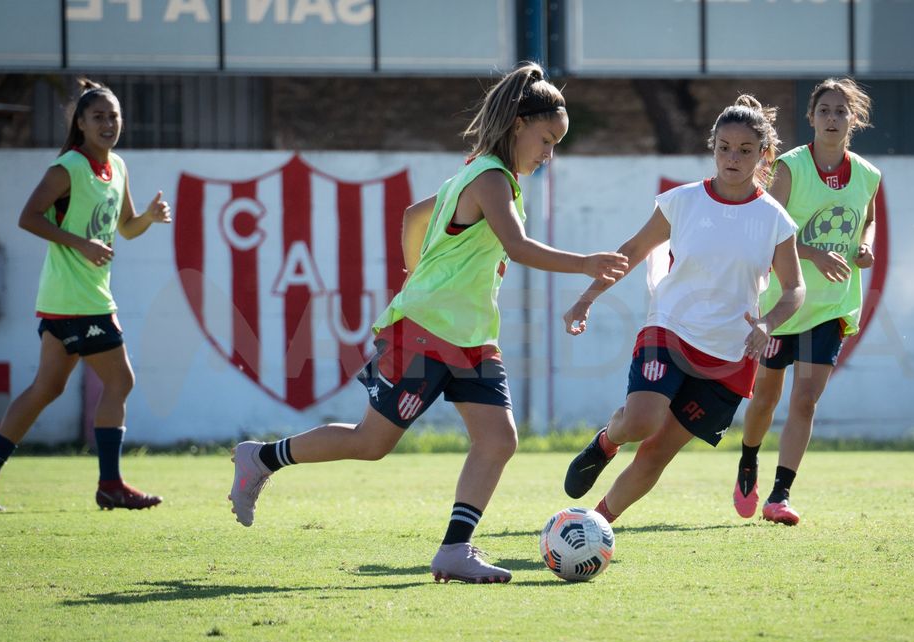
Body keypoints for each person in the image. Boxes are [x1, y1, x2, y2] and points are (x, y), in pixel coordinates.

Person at [226, 63, 628, 584]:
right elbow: (518, 247)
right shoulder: (489, 177)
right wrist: (585, 263)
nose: (550, 155)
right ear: (517, 125)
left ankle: (454, 551)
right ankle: (261, 458)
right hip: (426, 331)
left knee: (499, 439)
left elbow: (415, 215)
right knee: (372, 443)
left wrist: (423, 268)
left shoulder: (477, 173)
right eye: (548, 140)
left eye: (557, 145)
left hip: (470, 336)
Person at [561, 95, 805, 526]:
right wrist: (586, 299)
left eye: (745, 150)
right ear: (712, 147)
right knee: (640, 422)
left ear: (764, 154)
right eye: (724, 147)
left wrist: (768, 323)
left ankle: (594, 525)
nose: (733, 157)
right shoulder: (683, 201)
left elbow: (795, 290)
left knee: (656, 454)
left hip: (730, 355)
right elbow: (632, 251)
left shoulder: (774, 219)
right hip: (670, 329)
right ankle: (606, 442)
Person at [0, 79, 171, 512]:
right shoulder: (68, 168)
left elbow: (126, 228)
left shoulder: (118, 167)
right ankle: (110, 484)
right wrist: (81, 244)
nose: (108, 123)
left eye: (114, 116)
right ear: (80, 123)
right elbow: (28, 217)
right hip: (80, 300)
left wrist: (148, 217)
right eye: (98, 116)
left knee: (47, 387)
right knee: (121, 381)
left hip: (69, 299)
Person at [732, 78, 881, 526]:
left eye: (841, 111)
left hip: (833, 306)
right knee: (765, 399)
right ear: (811, 118)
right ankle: (748, 460)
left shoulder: (869, 175)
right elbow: (768, 231)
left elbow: (867, 220)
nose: (832, 118)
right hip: (783, 304)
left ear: (853, 119)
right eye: (824, 111)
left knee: (806, 399)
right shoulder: (791, 168)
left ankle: (780, 494)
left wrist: (864, 246)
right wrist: (814, 253)